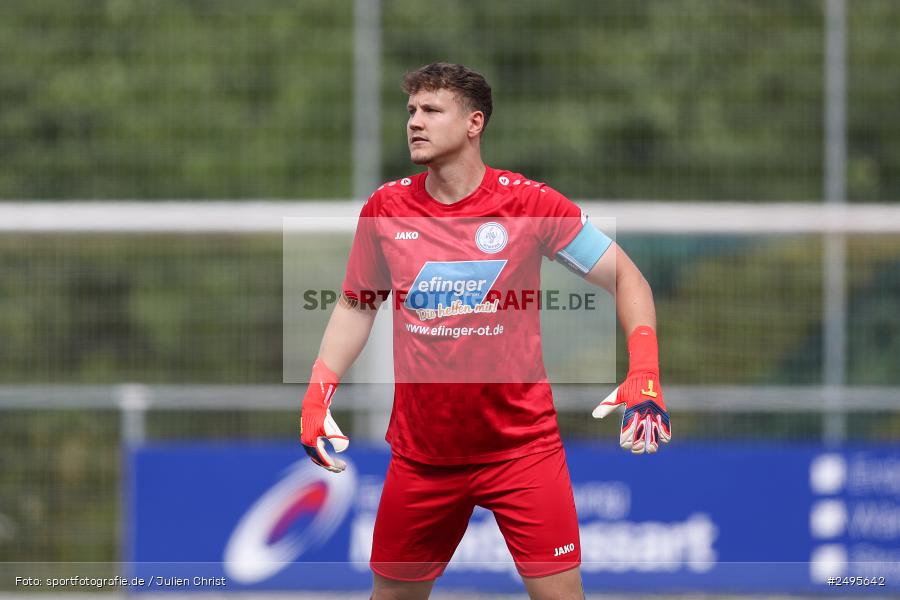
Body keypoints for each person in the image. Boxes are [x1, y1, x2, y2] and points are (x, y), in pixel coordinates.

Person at [299, 63, 671, 600]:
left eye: (431, 111)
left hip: (522, 451)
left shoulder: (529, 204)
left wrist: (645, 369)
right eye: (411, 111)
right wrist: (317, 392)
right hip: (422, 458)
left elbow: (628, 279)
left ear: (474, 123)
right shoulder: (386, 208)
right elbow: (358, 305)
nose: (414, 123)